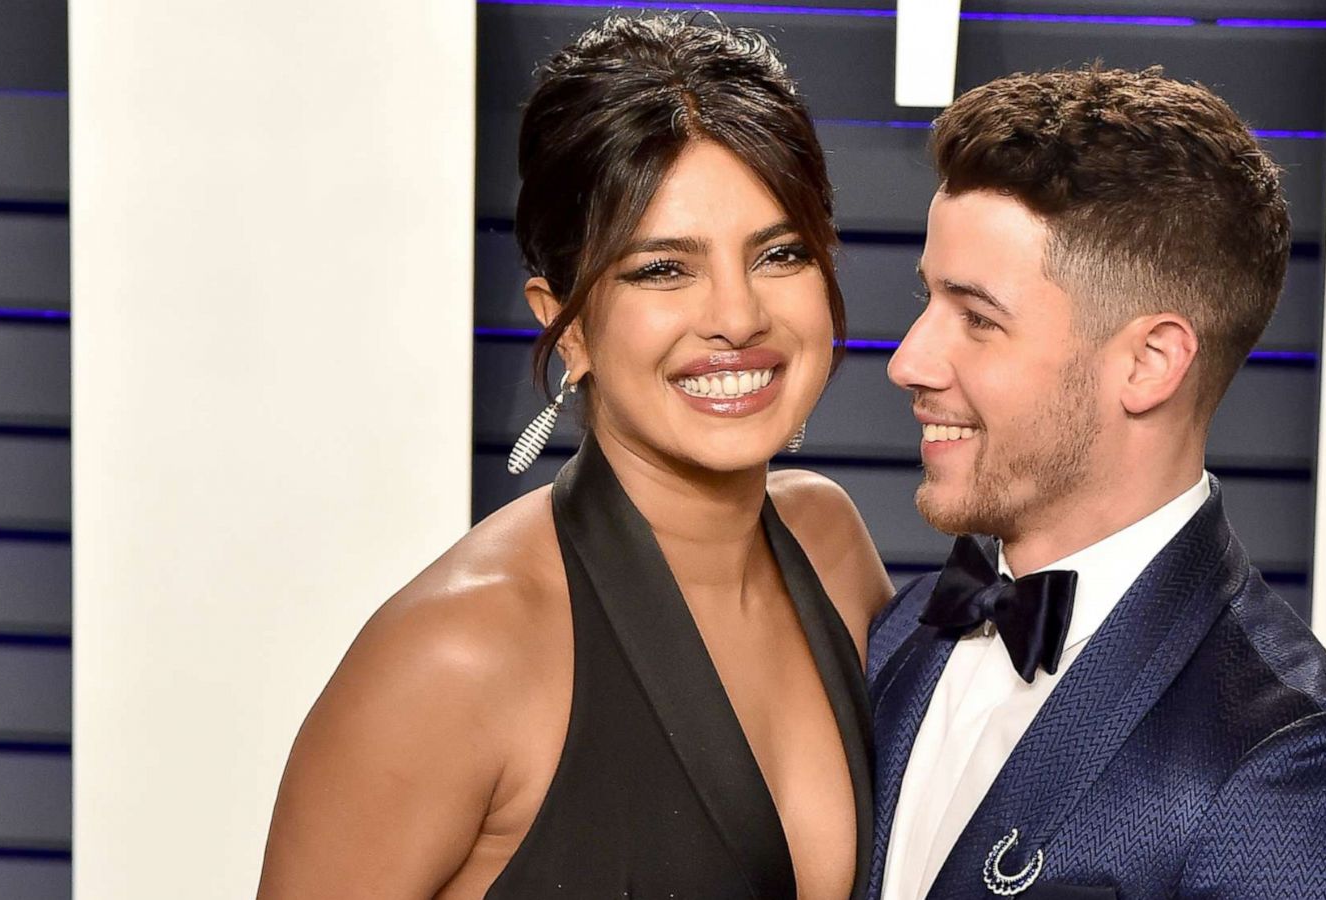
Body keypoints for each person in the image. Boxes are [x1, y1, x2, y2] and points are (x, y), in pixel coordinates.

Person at [257, 16, 891, 899]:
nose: (738, 317)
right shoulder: (457, 653)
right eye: (663, 270)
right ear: (566, 321)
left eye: (779, 254)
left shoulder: (832, 547)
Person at [868, 67, 1326, 899]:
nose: (908, 361)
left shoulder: (1296, 765)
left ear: (1150, 363)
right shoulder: (899, 632)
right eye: (928, 300)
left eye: (977, 318)